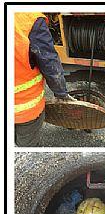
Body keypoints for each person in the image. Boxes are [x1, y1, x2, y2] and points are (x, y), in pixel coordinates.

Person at [15, 12, 74, 147]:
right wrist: (61, 93)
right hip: (24, 109)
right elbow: (49, 62)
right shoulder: (29, 19)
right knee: (27, 147)